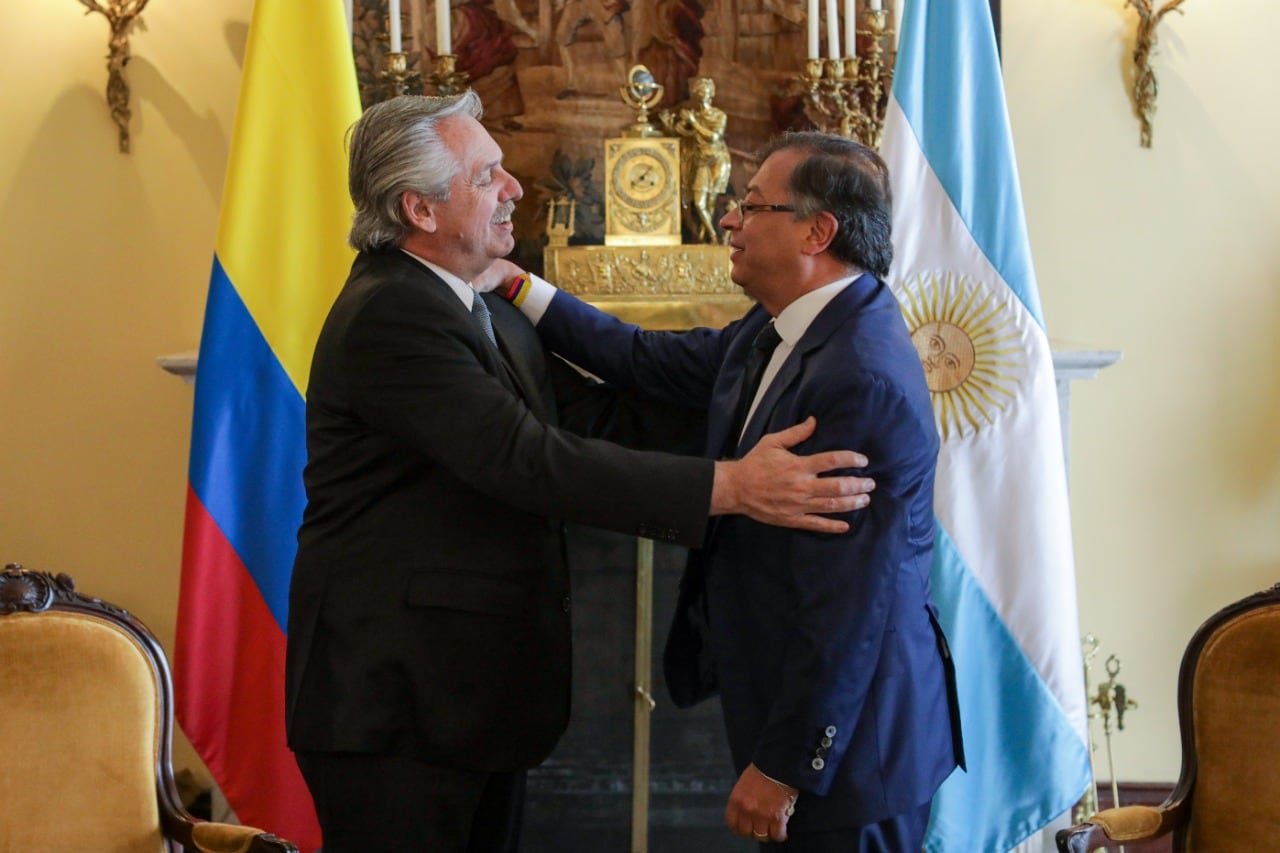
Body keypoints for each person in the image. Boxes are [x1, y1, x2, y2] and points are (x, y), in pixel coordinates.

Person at [283, 94, 876, 853]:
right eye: (486, 174)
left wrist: (766, 415)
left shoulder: (480, 302)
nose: (515, 188)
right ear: (418, 209)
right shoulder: (390, 314)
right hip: (395, 704)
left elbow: (597, 418)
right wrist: (731, 486)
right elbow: (526, 460)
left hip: (466, 699)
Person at [487, 131, 965, 850]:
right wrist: (516, 285)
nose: (730, 221)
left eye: (750, 205)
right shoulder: (779, 328)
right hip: (800, 716)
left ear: (816, 230)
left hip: (854, 754)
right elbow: (642, 356)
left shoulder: (858, 375)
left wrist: (785, 766)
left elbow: (849, 603)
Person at [661, 76, 732, 243]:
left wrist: (694, 123)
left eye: (704, 91)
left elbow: (714, 137)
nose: (701, 94)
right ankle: (713, 234)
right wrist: (669, 126)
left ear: (710, 94)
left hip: (717, 159)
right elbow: (683, 135)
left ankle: (705, 238)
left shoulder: (718, 116)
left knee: (711, 201)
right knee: (700, 203)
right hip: (700, 161)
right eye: (698, 91)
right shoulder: (693, 116)